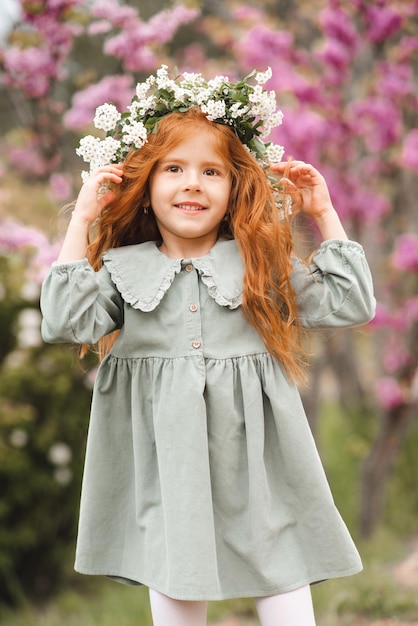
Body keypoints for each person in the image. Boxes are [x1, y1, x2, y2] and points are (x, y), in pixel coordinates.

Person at [40, 66, 375, 626]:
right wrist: (84, 217)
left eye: (211, 171)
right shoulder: (125, 271)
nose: (192, 183)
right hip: (166, 465)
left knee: (284, 575)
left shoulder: (258, 264)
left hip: (262, 465)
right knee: (176, 580)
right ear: (144, 187)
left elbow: (350, 302)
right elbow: (64, 319)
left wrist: (322, 211)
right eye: (174, 168)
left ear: (234, 190)